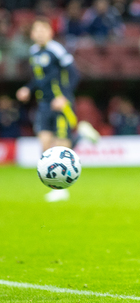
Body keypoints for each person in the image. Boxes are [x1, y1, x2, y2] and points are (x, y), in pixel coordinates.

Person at [16, 18, 100, 202]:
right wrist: (28, 89)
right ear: (32, 34)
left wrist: (63, 96)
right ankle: (81, 136)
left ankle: (60, 189)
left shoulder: (57, 50)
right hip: (44, 103)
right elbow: (40, 79)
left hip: (61, 102)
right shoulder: (34, 52)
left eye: (43, 30)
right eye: (36, 31)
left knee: (61, 147)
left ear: (50, 32)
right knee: (45, 147)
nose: (39, 34)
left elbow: (74, 74)